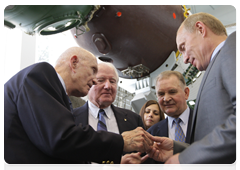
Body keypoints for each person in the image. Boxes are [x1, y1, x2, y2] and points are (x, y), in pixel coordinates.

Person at [4, 46, 154, 170]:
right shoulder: (41, 73)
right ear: (74, 63)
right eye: (93, 70)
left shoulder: (58, 98)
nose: (95, 80)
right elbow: (61, 139)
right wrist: (120, 142)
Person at [148, 12, 238, 170]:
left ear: (200, 29)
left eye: (183, 47)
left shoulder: (233, 46)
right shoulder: (216, 64)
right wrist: (179, 150)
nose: (184, 59)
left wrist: (187, 159)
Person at [73, 62, 147, 170]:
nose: (108, 86)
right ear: (88, 83)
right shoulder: (70, 119)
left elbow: (145, 162)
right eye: (101, 80)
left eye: (112, 81)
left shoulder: (134, 120)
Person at [146, 71, 193, 170]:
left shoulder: (206, 121)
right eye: (161, 94)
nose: (166, 99)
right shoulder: (151, 134)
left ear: (186, 93)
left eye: (172, 92)